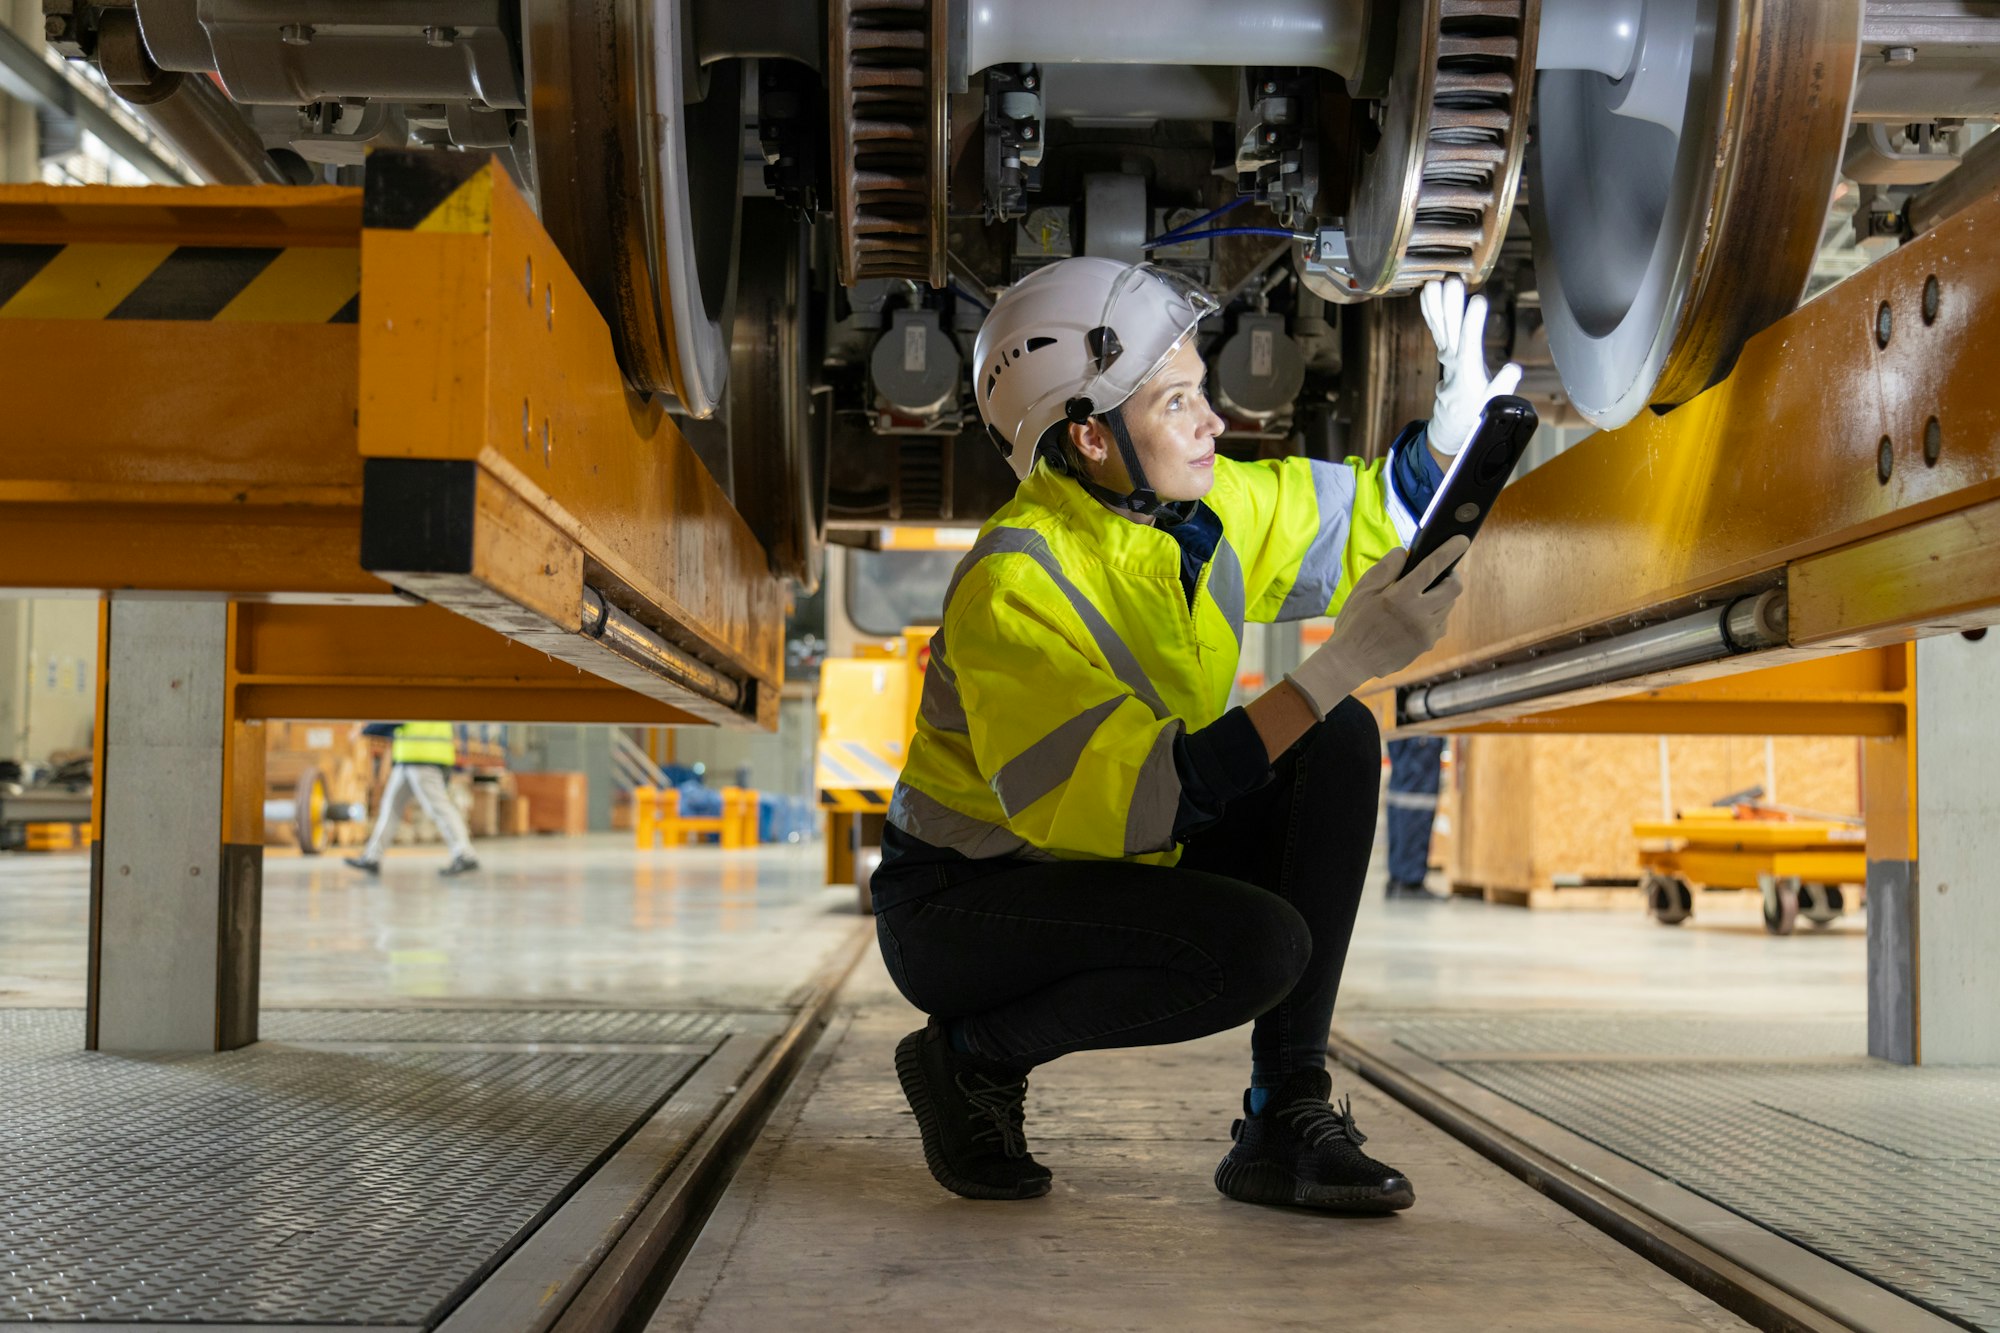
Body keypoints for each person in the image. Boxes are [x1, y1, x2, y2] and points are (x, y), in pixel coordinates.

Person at [872, 261, 1519, 1210]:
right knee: (1256, 949)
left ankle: (1281, 1119)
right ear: (1090, 436)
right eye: (1178, 401)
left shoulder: (1194, 511)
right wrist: (1336, 662)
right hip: (964, 906)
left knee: (1331, 742)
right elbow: (1130, 806)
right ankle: (967, 1056)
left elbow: (1351, 524)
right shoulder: (1016, 587)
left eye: (1201, 390)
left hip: (1108, 845)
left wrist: (1445, 450)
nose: (1213, 421)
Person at [344, 722, 480, 877]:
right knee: (390, 808)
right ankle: (372, 857)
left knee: (439, 808)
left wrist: (365, 730)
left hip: (423, 758)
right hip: (411, 758)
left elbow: (395, 718)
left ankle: (465, 854)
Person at [1384, 735, 1447, 899]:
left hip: (1404, 727)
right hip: (1421, 730)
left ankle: (1398, 878)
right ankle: (1409, 881)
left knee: (1403, 796)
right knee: (1417, 799)